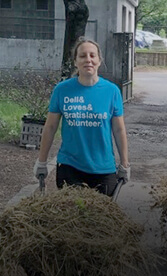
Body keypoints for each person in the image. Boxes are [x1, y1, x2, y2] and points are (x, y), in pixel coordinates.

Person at [33, 37, 130, 196]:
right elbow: (50, 128)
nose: (88, 60)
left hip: (104, 168)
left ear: (99, 60)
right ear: (75, 61)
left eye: (92, 55)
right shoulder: (62, 90)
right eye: (83, 56)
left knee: (103, 218)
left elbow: (119, 130)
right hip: (70, 167)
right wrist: (41, 161)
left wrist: (124, 164)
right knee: (73, 218)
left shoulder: (112, 91)